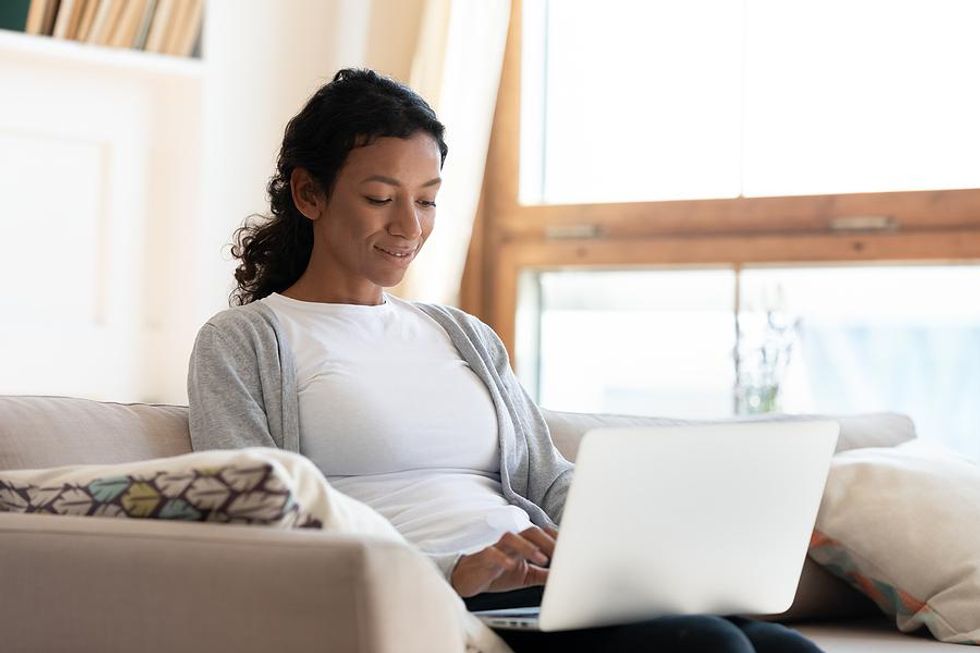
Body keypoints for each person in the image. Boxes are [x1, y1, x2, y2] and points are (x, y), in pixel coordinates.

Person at [187, 67, 822, 653]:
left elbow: (549, 482)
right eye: (381, 198)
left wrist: (640, 547)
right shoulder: (243, 341)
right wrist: (454, 572)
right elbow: (256, 522)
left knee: (789, 650)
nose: (409, 225)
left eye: (428, 199)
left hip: (546, 580)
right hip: (443, 595)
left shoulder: (462, 335)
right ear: (309, 195)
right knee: (711, 647)